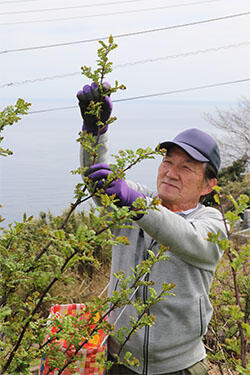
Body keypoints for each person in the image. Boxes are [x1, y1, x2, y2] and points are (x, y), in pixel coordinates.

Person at [77, 82, 227, 375]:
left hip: (181, 367)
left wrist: (136, 205)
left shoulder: (212, 224)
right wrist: (94, 132)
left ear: (209, 184)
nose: (171, 173)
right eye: (167, 162)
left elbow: (184, 237)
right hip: (119, 361)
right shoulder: (138, 202)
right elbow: (97, 181)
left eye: (186, 168)